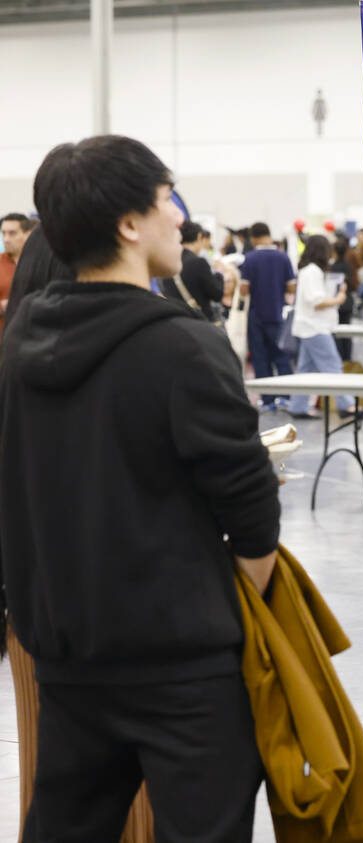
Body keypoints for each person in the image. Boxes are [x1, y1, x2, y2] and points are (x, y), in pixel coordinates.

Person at [0, 134, 279, 841]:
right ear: (129, 224)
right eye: (165, 203)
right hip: (183, 666)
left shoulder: (17, 347)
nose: (177, 219)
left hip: (66, 656)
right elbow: (251, 515)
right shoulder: (183, 346)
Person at [286, 233, 352, 419]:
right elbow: (316, 301)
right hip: (314, 327)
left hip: (309, 326)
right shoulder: (312, 272)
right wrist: (338, 298)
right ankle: (346, 405)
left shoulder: (309, 271)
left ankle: (297, 406)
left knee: (305, 369)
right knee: (333, 365)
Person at [240, 221, 296, 411]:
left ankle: (268, 399)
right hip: (277, 313)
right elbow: (291, 287)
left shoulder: (249, 258)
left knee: (260, 358)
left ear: (253, 238)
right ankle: (286, 396)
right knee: (281, 356)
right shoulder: (283, 257)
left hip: (256, 316)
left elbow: (244, 289)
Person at [163, 220, 230, 325]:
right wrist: (219, 273)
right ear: (199, 236)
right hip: (199, 323)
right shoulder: (199, 263)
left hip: (176, 323)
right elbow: (217, 294)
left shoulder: (168, 262)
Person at [0, 213, 35, 334]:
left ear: (27, 234)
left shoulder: (39, 263)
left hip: (34, 339)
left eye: (12, 233)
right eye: (3, 233)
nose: (6, 239)